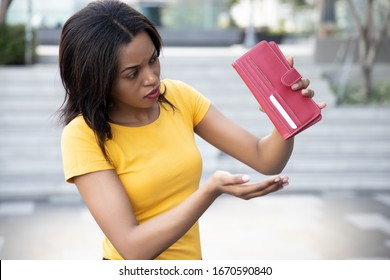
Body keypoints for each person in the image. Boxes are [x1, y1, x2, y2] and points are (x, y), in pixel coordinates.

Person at [59, 0, 326, 260]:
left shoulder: (178, 97)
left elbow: (266, 159)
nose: (151, 77)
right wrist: (210, 190)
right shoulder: (82, 135)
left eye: (153, 60)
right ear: (97, 79)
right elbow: (133, 249)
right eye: (132, 73)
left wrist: (284, 110)